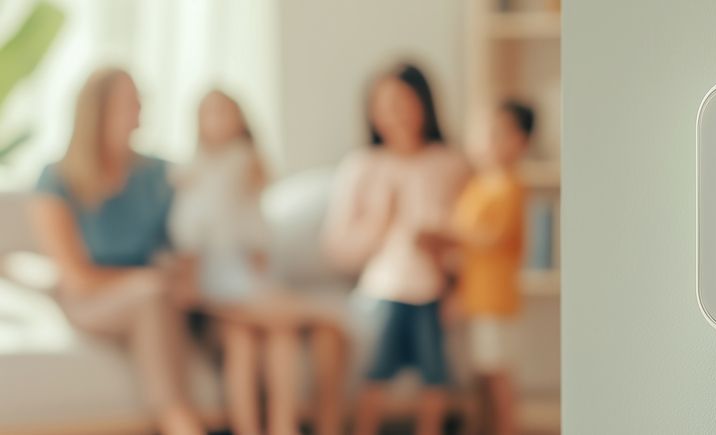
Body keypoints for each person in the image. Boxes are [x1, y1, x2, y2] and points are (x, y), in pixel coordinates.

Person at [28, 68, 204, 435]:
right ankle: (179, 420)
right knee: (150, 295)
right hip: (93, 298)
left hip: (161, 294)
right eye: (130, 104)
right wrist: (149, 280)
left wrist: (184, 274)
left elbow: (188, 239)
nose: (140, 114)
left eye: (141, 103)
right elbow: (76, 279)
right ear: (99, 111)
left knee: (176, 301)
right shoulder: (57, 179)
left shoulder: (159, 175)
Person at [170, 90, 347, 435]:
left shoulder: (246, 163)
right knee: (250, 332)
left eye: (227, 112)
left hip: (249, 274)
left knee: (271, 337)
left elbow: (255, 224)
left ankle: (284, 426)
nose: (220, 121)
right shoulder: (192, 175)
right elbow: (189, 233)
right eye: (212, 113)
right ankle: (322, 315)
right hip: (217, 282)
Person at [324, 63, 469, 435]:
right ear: (371, 112)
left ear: (425, 104)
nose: (396, 114)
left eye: (405, 102)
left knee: (435, 375)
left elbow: (470, 238)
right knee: (375, 371)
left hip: (433, 289)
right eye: (385, 104)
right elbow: (337, 250)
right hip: (382, 290)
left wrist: (449, 260)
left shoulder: (451, 163)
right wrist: (380, 224)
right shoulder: (362, 166)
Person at [423, 101, 533, 435]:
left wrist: (449, 236)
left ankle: (506, 427)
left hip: (496, 298)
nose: (486, 141)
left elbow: (492, 236)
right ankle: (484, 425)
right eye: (482, 133)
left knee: (498, 372)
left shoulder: (509, 186)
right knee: (482, 372)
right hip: (473, 295)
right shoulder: (477, 185)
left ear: (520, 142)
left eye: (498, 134)